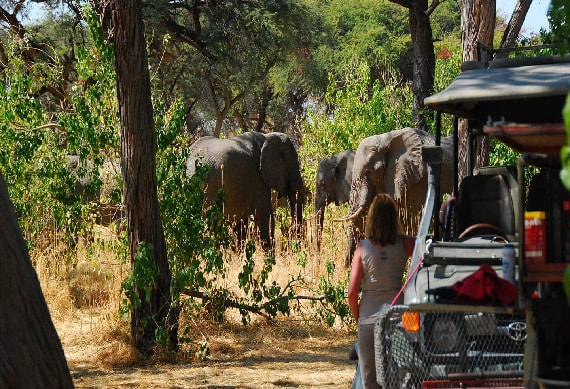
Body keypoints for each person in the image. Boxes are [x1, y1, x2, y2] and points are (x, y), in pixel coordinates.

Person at [348, 193, 415, 389]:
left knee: (370, 382)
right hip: (397, 320)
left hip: (369, 322)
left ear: (372, 218)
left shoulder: (363, 248)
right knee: (398, 382)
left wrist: (359, 318)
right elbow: (428, 249)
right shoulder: (406, 244)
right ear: (394, 218)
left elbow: (352, 292)